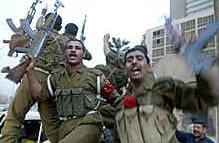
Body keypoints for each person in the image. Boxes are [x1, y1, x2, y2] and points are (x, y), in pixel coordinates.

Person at [100, 45, 219, 143]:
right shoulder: (123, 101)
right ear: (125, 69)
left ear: (148, 66)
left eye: (139, 58)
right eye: (129, 60)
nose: (134, 62)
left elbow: (201, 99)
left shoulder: (163, 87)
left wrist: (204, 71)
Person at [26, 38, 116, 143]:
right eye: (69, 48)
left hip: (89, 124)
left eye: (77, 48)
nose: (73, 50)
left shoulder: (96, 76)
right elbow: (40, 95)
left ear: (83, 54)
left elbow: (115, 98)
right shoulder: (56, 78)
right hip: (64, 128)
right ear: (65, 53)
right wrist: (30, 72)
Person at [0, 13, 68, 143]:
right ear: (60, 27)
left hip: (33, 76)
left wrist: (20, 32)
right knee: (52, 126)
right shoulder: (65, 41)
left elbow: (15, 43)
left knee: (14, 118)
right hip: (51, 84)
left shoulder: (40, 35)